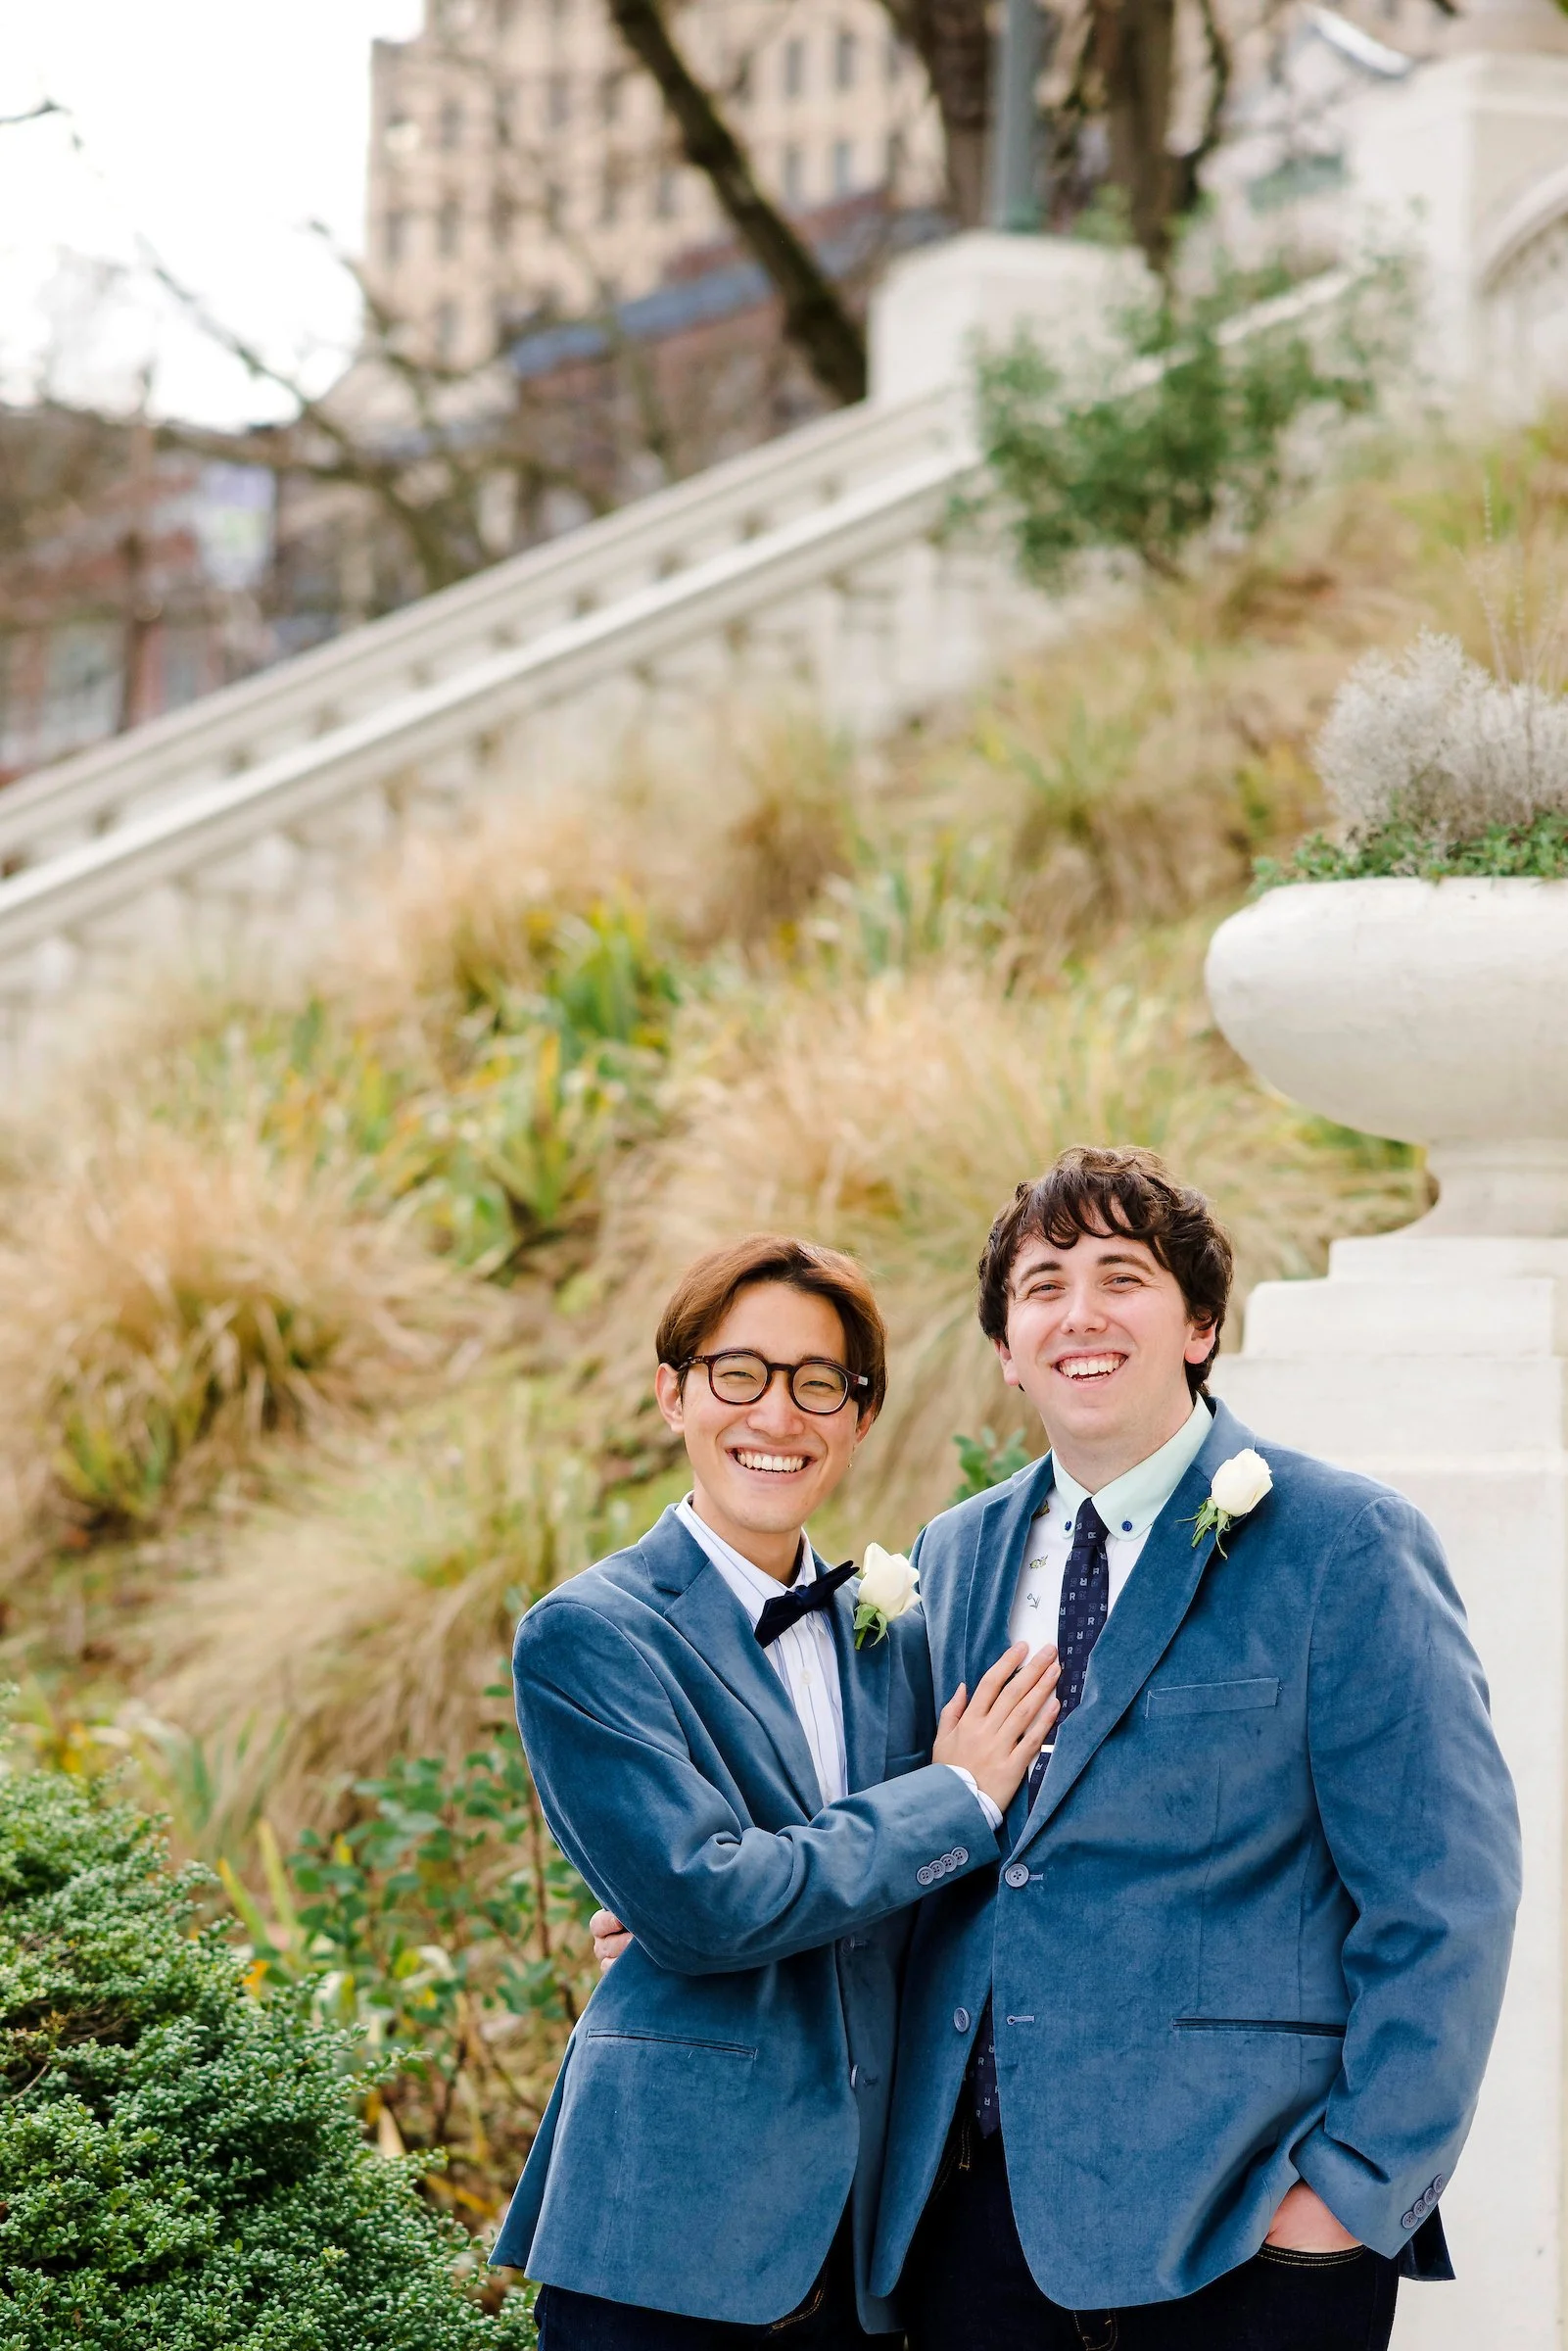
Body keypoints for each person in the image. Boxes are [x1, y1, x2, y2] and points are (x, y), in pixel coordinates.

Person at [870, 1143, 1522, 2351]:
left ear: (1197, 1326)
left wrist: (1348, 2192)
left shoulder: (1343, 1545)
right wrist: (692, 1898)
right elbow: (915, 1834)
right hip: (968, 2232)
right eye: (1042, 1286)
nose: (1080, 1314)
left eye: (1121, 1277)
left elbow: (1445, 1897)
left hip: (1240, 2235)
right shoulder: (950, 1556)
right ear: (1007, 1353)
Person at [491, 1232, 1062, 2349]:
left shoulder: (896, 1635)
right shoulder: (587, 1635)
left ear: (856, 1417)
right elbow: (706, 1903)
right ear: (673, 1394)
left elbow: (918, 1905)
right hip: (668, 2231)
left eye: (818, 1384)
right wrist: (948, 1800)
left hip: (863, 2248)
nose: (776, 1415)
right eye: (738, 1374)